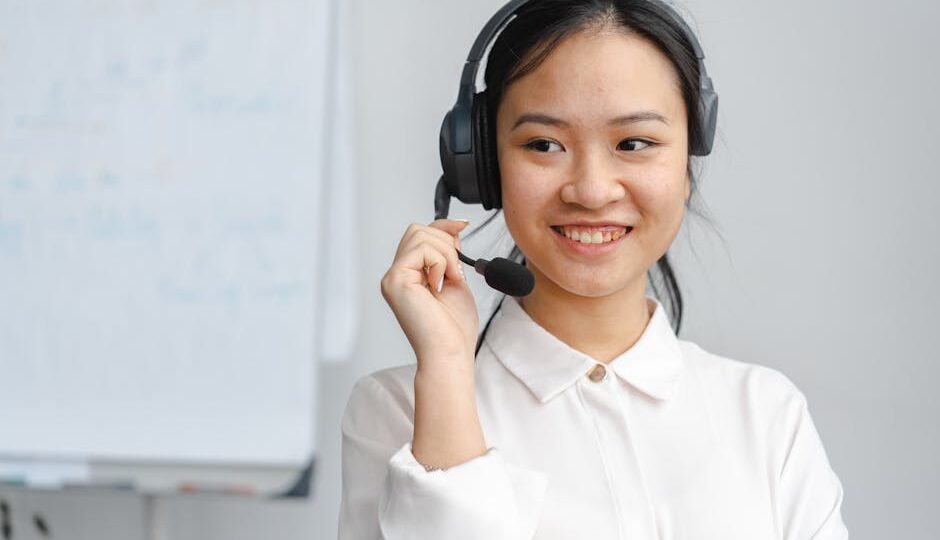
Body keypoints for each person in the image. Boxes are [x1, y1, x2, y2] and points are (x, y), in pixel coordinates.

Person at [339, 1, 849, 538]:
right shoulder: (399, 411)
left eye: (634, 143)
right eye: (544, 144)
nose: (591, 190)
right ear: (483, 168)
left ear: (686, 167)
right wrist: (445, 373)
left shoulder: (767, 416)